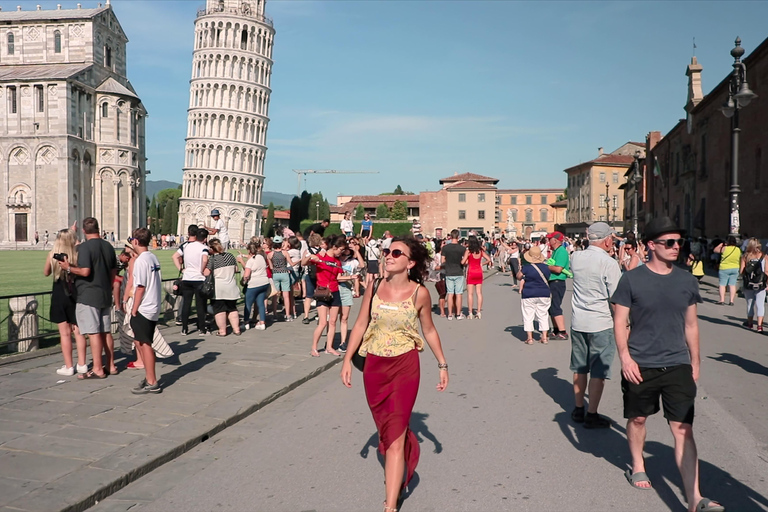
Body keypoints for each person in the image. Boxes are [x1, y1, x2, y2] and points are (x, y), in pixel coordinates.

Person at [611, 217, 724, 512]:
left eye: (679, 242)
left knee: (683, 427)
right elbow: (620, 321)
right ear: (651, 245)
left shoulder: (686, 280)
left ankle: (695, 497)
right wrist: (625, 357)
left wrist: (695, 361)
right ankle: (637, 464)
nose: (676, 247)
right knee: (638, 419)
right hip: (640, 363)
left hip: (676, 364)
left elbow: (691, 324)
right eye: (669, 242)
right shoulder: (631, 279)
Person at [340, 237, 448, 512]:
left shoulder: (420, 293)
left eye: (396, 252)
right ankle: (399, 473)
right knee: (384, 431)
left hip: (405, 367)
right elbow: (361, 322)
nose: (388, 255)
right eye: (387, 251)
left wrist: (442, 364)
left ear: (410, 263)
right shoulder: (374, 286)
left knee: (396, 434)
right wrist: (346, 360)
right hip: (374, 367)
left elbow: (430, 330)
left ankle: (390, 505)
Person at [569, 222, 622, 428]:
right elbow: (616, 298)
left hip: (578, 321)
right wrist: (625, 325)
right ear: (607, 240)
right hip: (601, 322)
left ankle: (578, 408)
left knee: (579, 367)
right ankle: (592, 414)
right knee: (598, 371)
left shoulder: (576, 258)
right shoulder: (609, 263)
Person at [59, 217, 117, 380]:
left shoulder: (84, 248)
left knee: (93, 332)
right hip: (105, 292)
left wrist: (68, 268)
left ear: (84, 231)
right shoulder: (108, 246)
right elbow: (113, 271)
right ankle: (111, 365)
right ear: (98, 228)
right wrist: (108, 285)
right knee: (106, 331)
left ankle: (98, 368)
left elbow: (85, 271)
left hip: (88, 294)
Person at [44, 227, 88, 376]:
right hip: (75, 293)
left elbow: (46, 272)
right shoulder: (76, 255)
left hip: (59, 293)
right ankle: (82, 363)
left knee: (64, 334)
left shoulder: (52, 255)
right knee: (79, 331)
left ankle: (69, 366)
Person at [128, 228, 163, 394]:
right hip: (153, 305)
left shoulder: (141, 261)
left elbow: (140, 287)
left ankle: (152, 380)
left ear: (135, 241)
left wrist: (134, 309)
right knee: (142, 342)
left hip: (144, 307)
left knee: (145, 344)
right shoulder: (152, 257)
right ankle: (149, 376)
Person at [305, 235, 346, 357]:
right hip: (322, 292)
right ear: (334, 247)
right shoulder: (321, 257)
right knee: (323, 322)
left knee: (332, 322)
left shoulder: (337, 262)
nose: (341, 252)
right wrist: (310, 257)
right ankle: (314, 348)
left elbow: (339, 277)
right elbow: (303, 263)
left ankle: (329, 347)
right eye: (340, 250)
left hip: (335, 291)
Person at [173, 226, 210, 335]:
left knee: (186, 304)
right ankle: (202, 329)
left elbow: (174, 256)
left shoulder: (186, 246)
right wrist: (202, 270)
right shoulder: (203, 247)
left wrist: (181, 269)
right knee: (200, 305)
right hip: (198, 278)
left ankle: (184, 329)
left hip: (187, 277)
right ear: (204, 238)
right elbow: (205, 259)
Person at [204, 238, 241, 336]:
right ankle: (236, 329)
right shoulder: (230, 255)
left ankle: (222, 331)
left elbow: (206, 272)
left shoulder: (213, 259)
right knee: (232, 309)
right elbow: (236, 269)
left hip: (219, 288)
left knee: (220, 310)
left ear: (211, 248)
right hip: (231, 286)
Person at [519, 245, 551, 344]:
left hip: (529, 293)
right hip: (544, 293)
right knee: (543, 315)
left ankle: (530, 338)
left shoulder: (526, 268)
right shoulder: (546, 267)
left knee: (528, 315)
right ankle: (544, 337)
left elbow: (518, 276)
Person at [337, 239, 365, 352]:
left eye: (349, 249)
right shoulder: (337, 259)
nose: (347, 251)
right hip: (335, 288)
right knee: (332, 318)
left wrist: (356, 251)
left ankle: (343, 342)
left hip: (347, 289)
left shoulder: (353, 261)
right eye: (346, 249)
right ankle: (329, 342)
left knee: (344, 318)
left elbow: (362, 265)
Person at [237, 241, 270, 330]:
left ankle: (246, 322)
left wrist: (243, 281)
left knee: (248, 304)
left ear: (248, 250)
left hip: (254, 284)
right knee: (261, 303)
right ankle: (262, 322)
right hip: (264, 282)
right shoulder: (261, 257)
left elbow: (246, 275)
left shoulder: (250, 261)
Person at [546, 231, 570, 339]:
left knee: (556, 306)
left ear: (555, 240)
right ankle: (556, 330)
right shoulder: (555, 251)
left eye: (550, 239)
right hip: (553, 281)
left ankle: (563, 331)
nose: (548, 241)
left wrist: (546, 267)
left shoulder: (561, 252)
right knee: (551, 307)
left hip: (557, 281)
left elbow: (558, 269)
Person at [739, 237, 767, 332]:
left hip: (749, 284)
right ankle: (759, 326)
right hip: (761, 283)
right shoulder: (764, 256)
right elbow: (766, 271)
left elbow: (741, 271)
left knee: (750, 304)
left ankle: (750, 324)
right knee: (760, 304)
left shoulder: (745, 256)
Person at [462, 235, 492, 319]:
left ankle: (470, 313)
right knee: (479, 293)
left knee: (470, 294)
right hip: (479, 271)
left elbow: (463, 262)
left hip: (471, 272)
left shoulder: (468, 251)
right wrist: (482, 263)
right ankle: (478, 312)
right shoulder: (480, 251)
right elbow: (489, 259)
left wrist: (466, 261)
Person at [268, 235, 298, 321]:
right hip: (284, 273)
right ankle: (288, 315)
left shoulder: (270, 254)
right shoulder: (285, 253)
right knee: (286, 296)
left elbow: (271, 267)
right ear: (281, 243)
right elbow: (291, 264)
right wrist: (299, 260)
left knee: (275, 295)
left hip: (275, 274)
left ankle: (274, 314)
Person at [441, 229, 467, 320]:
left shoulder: (445, 248)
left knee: (450, 293)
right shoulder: (462, 248)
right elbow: (465, 261)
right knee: (459, 294)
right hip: (459, 272)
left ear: (450, 237)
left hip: (449, 272)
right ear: (458, 237)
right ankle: (458, 314)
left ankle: (450, 314)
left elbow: (442, 261)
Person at [301, 233, 323, 324]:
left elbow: (302, 263)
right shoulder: (322, 251)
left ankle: (306, 316)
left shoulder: (307, 251)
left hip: (309, 275)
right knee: (320, 295)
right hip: (320, 274)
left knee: (308, 296)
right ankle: (320, 314)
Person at [714, 236, 741, 305]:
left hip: (724, 268)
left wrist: (721, 244)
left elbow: (715, 250)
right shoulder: (737, 249)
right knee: (732, 285)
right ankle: (731, 301)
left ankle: (722, 300)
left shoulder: (724, 248)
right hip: (735, 268)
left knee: (722, 285)